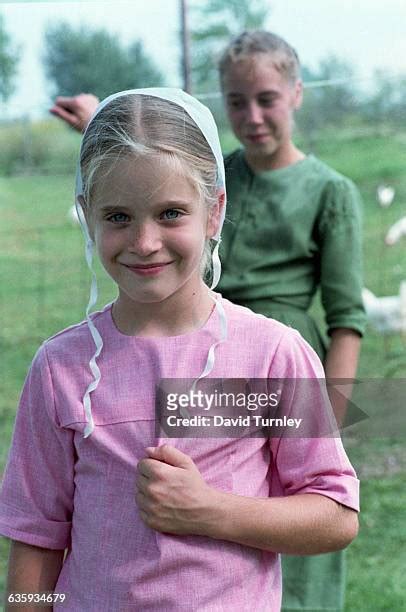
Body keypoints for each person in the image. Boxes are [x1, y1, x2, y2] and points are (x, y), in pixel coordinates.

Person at [0, 88, 359, 612]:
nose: (144, 242)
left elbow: (335, 516)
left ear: (214, 211)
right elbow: (37, 540)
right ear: (87, 213)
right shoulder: (61, 369)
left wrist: (209, 510)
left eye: (170, 213)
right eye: (118, 217)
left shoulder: (272, 354)